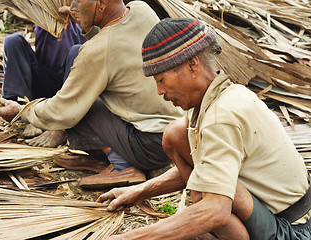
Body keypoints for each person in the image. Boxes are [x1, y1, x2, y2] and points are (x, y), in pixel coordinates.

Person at [96, 18, 311, 239]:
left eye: (161, 79)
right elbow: (206, 166)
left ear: (192, 65)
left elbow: (217, 210)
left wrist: (128, 237)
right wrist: (139, 191)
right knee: (178, 134)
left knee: (211, 197)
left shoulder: (222, 116)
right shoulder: (222, 97)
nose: (159, 91)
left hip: (289, 230)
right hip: (276, 214)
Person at [0, 0, 183, 188]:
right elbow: (113, 41)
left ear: (100, 5)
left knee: (79, 103)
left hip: (148, 147)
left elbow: (63, 111)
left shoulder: (97, 51)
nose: (73, 7)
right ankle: (99, 158)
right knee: (87, 93)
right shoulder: (141, 9)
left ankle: (122, 166)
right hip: (175, 135)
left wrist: (23, 111)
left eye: (78, 1)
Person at [1, 1, 86, 147]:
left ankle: (61, 126)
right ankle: (24, 110)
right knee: (13, 40)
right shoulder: (44, 6)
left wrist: (79, 15)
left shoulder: (87, 8)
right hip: (44, 81)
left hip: (73, 84)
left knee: (77, 51)